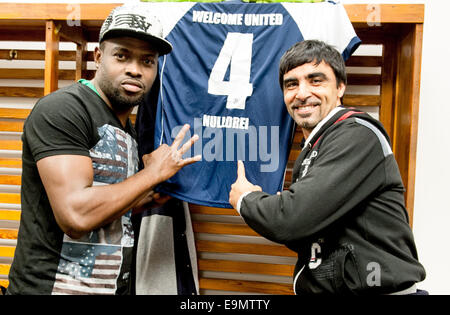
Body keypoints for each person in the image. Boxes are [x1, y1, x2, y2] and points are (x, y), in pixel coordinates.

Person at [6, 5, 200, 295]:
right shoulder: (64, 109)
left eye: (147, 61)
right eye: (122, 55)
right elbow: (76, 216)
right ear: (98, 57)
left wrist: (146, 196)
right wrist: (152, 173)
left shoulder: (126, 128)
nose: (135, 69)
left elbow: (108, 204)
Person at [229, 40, 426, 295]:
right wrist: (293, 212)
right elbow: (304, 230)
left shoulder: (357, 135)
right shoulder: (318, 144)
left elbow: (290, 221)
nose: (301, 93)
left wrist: (246, 199)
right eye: (291, 84)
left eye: (316, 80)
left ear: (340, 86)